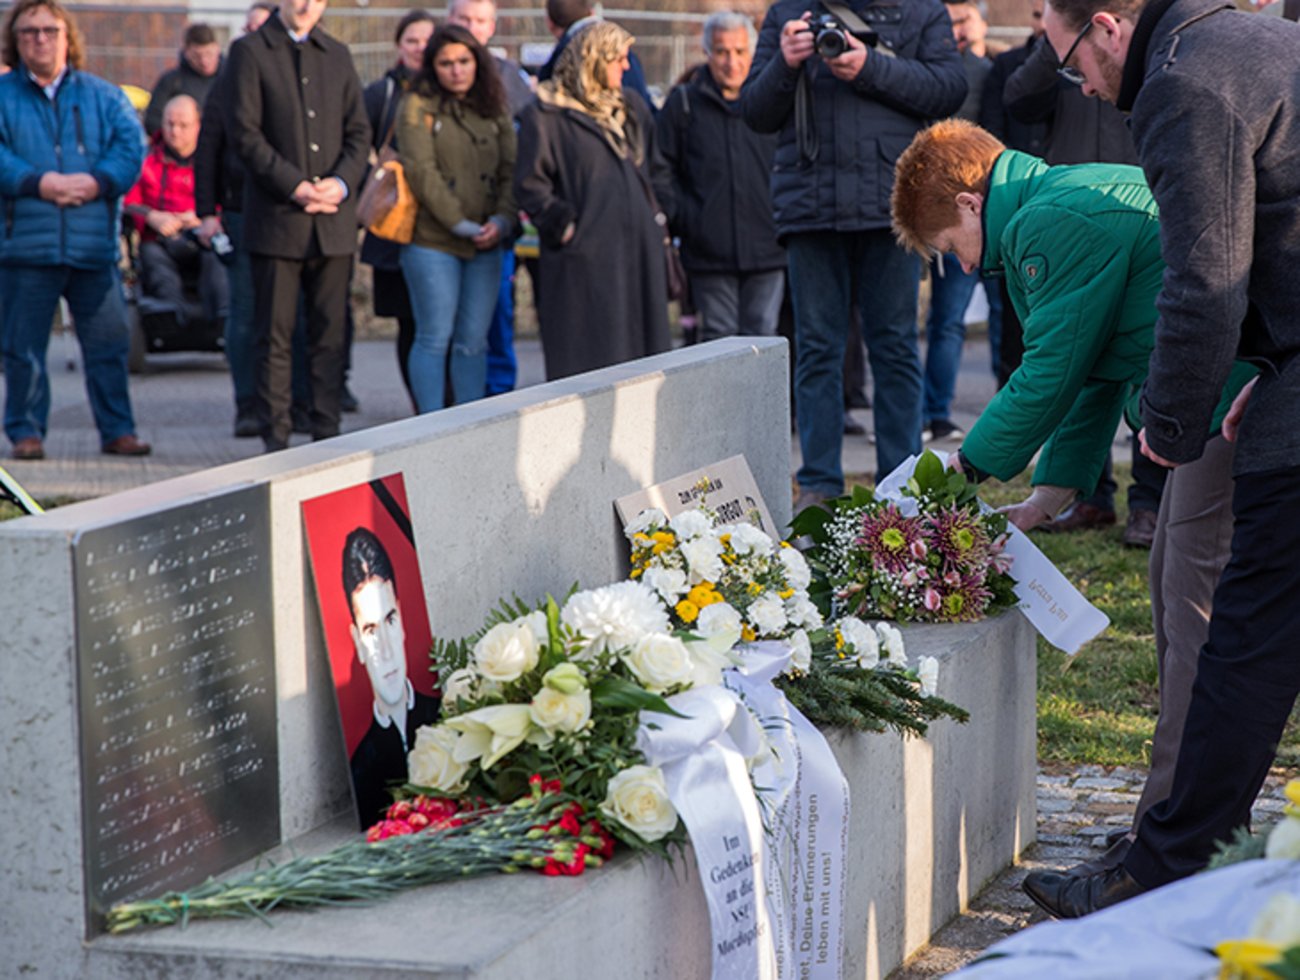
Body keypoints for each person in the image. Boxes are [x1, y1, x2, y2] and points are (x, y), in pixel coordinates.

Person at [894, 117, 1253, 892]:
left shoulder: (1045, 225)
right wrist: (1046, 498)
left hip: (1226, 400)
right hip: (1216, 395)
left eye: (947, 248)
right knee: (1173, 590)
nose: (957, 268)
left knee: (1190, 612)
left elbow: (1050, 369)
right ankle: (1187, 824)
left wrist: (963, 472)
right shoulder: (1063, 194)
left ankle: (1174, 846)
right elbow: (1091, 372)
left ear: (968, 204)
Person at [1019, 0, 1300, 918]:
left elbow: (1206, 279)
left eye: (1072, 63)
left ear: (1105, 25)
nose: (1086, 90)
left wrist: (1169, 434)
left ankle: (1163, 873)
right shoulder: (1260, 40)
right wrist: (1276, 364)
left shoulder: (1185, 79)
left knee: (1248, 638)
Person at [740, 0, 966, 506]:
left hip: (892, 205)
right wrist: (785, 62)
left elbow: (950, 88)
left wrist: (870, 66)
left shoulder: (920, 10)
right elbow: (754, 110)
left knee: (895, 346)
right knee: (817, 348)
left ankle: (903, 484)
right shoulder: (788, 13)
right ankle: (818, 484)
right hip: (811, 209)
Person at [0, 0, 150, 461]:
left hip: (93, 247)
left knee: (108, 346)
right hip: (26, 246)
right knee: (22, 350)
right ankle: (26, 433)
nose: (39, 39)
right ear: (15, 40)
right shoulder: (3, 96)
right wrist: (37, 182)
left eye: (48, 30)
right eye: (28, 32)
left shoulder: (104, 95)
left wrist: (97, 181)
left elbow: (131, 147)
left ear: (68, 37)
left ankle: (117, 431)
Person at [224, 0, 370, 453]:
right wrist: (295, 186)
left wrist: (341, 184)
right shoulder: (249, 52)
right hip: (278, 219)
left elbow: (359, 133)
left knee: (330, 334)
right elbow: (245, 133)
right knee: (276, 333)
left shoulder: (338, 54)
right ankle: (278, 436)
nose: (305, 5)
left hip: (333, 221)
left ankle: (327, 431)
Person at [515, 22, 671, 381]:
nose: (627, 67)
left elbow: (657, 168)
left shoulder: (630, 107)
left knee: (644, 365)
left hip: (640, 255)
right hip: (584, 263)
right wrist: (566, 225)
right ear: (592, 61)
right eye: (618, 59)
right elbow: (530, 185)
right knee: (590, 368)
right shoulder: (546, 115)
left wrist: (659, 213)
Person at [396, 24, 515, 414]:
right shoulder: (417, 105)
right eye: (446, 63)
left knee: (473, 341)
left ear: (477, 61)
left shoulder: (494, 103)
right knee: (434, 335)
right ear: (433, 66)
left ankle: (469, 425)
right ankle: (429, 426)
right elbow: (421, 171)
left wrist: (501, 220)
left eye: (464, 61)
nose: (456, 70)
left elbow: (511, 169)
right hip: (433, 240)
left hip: (488, 237)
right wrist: (459, 223)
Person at [656, 12, 785, 343]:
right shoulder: (684, 104)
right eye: (722, 52)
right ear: (707, 53)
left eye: (740, 52)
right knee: (718, 341)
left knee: (763, 341)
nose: (732, 62)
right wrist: (687, 218)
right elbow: (661, 169)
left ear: (753, 53)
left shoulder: (772, 100)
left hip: (768, 247)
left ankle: (759, 400)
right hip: (708, 252)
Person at [195, 1, 277, 438]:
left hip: (287, 211)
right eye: (247, 29)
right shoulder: (228, 82)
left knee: (291, 315)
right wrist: (207, 211)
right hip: (242, 211)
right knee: (243, 310)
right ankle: (247, 403)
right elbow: (208, 144)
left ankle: (295, 400)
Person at [445, 0, 534, 398]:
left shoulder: (510, 79)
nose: (471, 27)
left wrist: (505, 216)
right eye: (464, 18)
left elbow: (525, 152)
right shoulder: (430, 76)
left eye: (479, 20)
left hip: (495, 223)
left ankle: (498, 399)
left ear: (492, 26)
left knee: (497, 317)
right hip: (441, 225)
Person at [918, 0, 994, 445]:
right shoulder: (927, 73)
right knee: (945, 319)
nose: (955, 30)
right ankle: (935, 412)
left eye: (963, 20)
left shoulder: (989, 73)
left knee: (998, 318)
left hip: (987, 211)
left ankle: (1009, 407)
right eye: (948, 22)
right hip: (945, 214)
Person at [341, 526, 441, 830]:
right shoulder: (359, 770)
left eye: (390, 620)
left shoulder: (444, 716)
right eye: (371, 630)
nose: (385, 649)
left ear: (403, 622)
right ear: (357, 642)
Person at [361, 8, 435, 411]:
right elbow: (357, 147)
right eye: (412, 41)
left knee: (440, 321)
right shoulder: (381, 93)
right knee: (409, 320)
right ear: (398, 46)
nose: (420, 49)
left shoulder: (452, 88)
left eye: (427, 41)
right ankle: (418, 406)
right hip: (395, 225)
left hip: (440, 224)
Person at [123, 95, 229, 334]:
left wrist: (205, 217)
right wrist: (152, 217)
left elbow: (229, 199)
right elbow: (129, 202)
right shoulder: (146, 160)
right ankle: (169, 317)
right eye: (169, 124)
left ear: (198, 126)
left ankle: (223, 316)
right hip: (161, 239)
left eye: (183, 125)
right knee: (151, 256)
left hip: (204, 235)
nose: (175, 131)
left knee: (218, 258)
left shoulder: (215, 161)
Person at [539, 0, 655, 114]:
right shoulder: (619, 46)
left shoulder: (564, 57)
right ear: (592, 12)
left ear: (550, 23)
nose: (625, 66)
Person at [144, 23, 222, 138]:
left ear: (217, 49)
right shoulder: (172, 81)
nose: (204, 61)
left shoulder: (231, 78)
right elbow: (152, 120)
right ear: (186, 53)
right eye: (197, 56)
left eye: (209, 54)